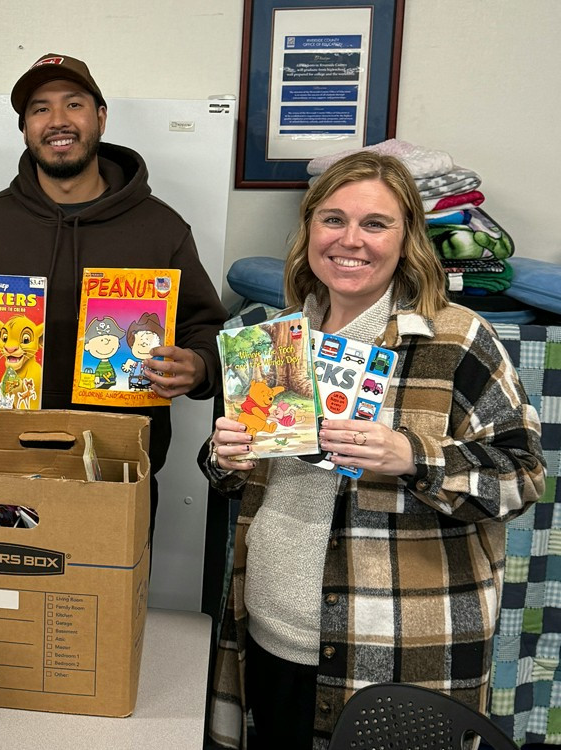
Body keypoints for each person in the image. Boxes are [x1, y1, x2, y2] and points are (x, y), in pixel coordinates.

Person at [201, 151, 545, 749]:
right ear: (308, 228)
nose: (350, 241)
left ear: (407, 236)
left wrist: (414, 457)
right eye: (332, 220)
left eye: (375, 224)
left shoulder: (456, 338)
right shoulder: (276, 338)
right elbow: (240, 482)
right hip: (274, 632)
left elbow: (523, 478)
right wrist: (223, 457)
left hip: (398, 654)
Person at [0, 52, 227, 529]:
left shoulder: (160, 228)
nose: (57, 121)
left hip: (118, 470)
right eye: (40, 108)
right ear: (25, 129)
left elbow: (206, 329)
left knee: (106, 605)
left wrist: (198, 366)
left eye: (73, 104)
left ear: (100, 117)